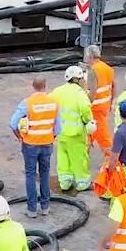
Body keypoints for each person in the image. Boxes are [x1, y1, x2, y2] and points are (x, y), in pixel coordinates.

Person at [9, 77, 60, 216]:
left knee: (30, 175)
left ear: (33, 86)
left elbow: (13, 123)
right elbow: (58, 128)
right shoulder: (54, 103)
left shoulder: (27, 103)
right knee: (44, 174)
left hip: (30, 144)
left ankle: (32, 210)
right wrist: (50, 138)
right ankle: (45, 207)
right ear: (45, 85)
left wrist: (20, 137)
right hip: (47, 144)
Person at [52, 65, 95, 193]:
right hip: (75, 133)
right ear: (78, 79)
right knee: (79, 158)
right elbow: (85, 109)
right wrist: (88, 121)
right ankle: (82, 183)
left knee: (63, 157)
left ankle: (65, 182)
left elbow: (50, 104)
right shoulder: (79, 93)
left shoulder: (57, 91)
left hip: (60, 133)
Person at [86, 46, 115, 152]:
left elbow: (92, 91)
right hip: (105, 106)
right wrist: (111, 102)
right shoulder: (108, 68)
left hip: (95, 107)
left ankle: (111, 160)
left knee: (100, 135)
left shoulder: (93, 71)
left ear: (90, 56)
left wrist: (86, 104)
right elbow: (113, 86)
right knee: (91, 134)